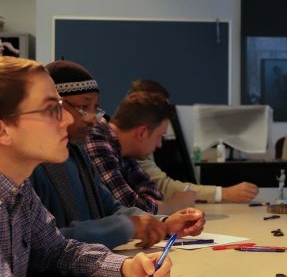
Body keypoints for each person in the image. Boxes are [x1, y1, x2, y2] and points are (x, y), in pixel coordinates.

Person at [0, 56, 171, 276]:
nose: (68, 120)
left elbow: (57, 251)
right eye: (51, 109)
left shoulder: (20, 190)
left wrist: (124, 267)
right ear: (3, 130)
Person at [30, 60, 205, 249]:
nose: (93, 120)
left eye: (95, 109)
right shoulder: (32, 165)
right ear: (53, 109)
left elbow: (110, 209)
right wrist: (127, 227)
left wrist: (162, 223)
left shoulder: (77, 154)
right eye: (84, 108)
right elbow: (47, 241)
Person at [128, 79, 259, 203]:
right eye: (162, 111)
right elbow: (163, 187)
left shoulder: (140, 141)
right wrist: (224, 193)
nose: (159, 144)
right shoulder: (132, 146)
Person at [84, 91, 193, 215]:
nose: (159, 145)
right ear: (142, 133)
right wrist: (174, 206)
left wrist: (157, 205)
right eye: (159, 136)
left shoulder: (122, 148)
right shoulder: (95, 136)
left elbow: (153, 193)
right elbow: (129, 209)